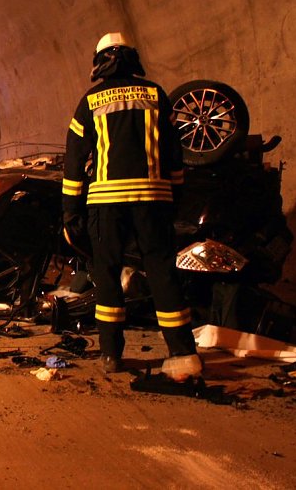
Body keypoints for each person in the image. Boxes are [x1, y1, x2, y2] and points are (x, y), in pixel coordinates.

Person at [62, 33, 200, 376]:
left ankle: (111, 354)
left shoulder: (91, 101)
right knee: (162, 272)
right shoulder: (156, 95)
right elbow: (174, 152)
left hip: (106, 202)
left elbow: (74, 160)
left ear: (100, 62)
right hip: (154, 199)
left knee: (107, 274)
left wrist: (70, 209)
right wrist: (176, 194)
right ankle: (183, 352)